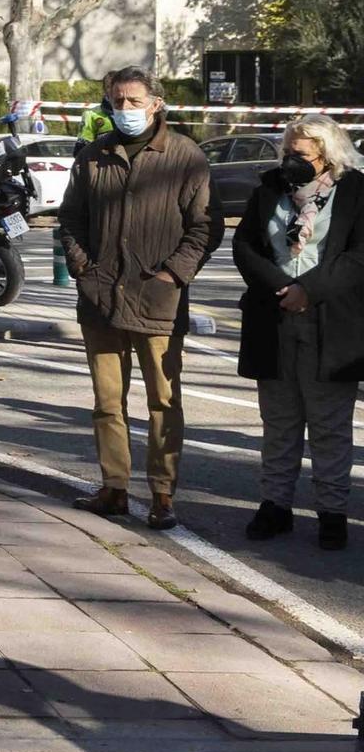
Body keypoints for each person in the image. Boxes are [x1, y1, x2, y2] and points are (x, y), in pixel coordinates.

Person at [56, 66, 221, 531]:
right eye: (116, 101)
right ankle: (114, 487)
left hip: (158, 300)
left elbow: (205, 226)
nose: (124, 110)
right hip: (101, 297)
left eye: (132, 101)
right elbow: (70, 219)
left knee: (163, 401)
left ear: (156, 103)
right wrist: (84, 267)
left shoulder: (184, 155)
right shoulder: (94, 155)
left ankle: (163, 494)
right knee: (108, 401)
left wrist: (173, 274)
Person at [233, 116, 363, 552]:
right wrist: (279, 288)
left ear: (327, 156)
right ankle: (276, 506)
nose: (291, 161)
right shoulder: (269, 189)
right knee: (280, 423)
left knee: (329, 426)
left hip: (331, 323)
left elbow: (358, 257)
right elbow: (246, 246)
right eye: (287, 152)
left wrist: (310, 289)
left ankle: (331, 511)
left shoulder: (356, 192)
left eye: (301, 154)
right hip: (273, 318)